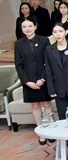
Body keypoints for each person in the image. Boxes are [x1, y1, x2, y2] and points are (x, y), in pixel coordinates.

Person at [14, 16, 54, 145]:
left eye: (30, 26)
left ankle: (52, 130)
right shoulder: (18, 44)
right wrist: (27, 82)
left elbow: (49, 61)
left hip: (43, 79)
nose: (27, 29)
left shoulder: (44, 40)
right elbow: (18, 65)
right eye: (24, 27)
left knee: (47, 104)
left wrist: (43, 79)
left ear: (35, 27)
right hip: (29, 81)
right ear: (21, 29)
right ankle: (41, 133)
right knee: (35, 106)